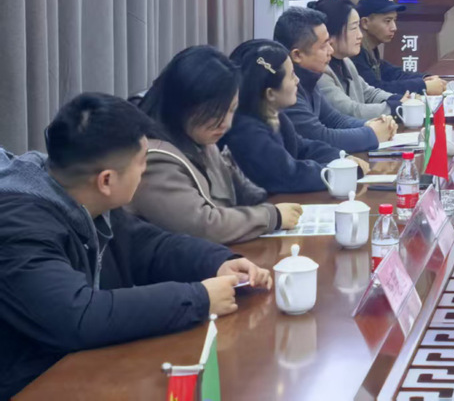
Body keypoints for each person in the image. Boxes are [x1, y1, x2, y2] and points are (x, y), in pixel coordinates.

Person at [0, 93, 271, 398]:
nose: (145, 171)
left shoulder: (80, 193)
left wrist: (218, 262)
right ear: (106, 180)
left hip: (86, 368)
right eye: (142, 162)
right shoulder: (19, 229)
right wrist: (199, 298)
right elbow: (78, 315)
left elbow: (146, 245)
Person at [129, 45, 303, 244]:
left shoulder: (200, 138)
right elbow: (203, 226)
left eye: (232, 110)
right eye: (214, 113)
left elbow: (242, 193)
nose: (226, 124)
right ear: (182, 105)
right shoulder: (152, 159)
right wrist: (272, 216)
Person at [222, 40, 371, 194]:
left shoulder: (275, 117)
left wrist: (342, 159)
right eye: (292, 75)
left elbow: (303, 147)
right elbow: (290, 175)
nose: (297, 81)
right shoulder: (246, 132)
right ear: (270, 93)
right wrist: (341, 172)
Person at [274, 7, 393, 152]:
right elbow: (321, 137)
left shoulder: (310, 77)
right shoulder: (284, 89)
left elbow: (335, 120)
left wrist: (371, 124)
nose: (330, 50)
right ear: (297, 55)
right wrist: (371, 133)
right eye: (323, 46)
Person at [309, 0, 406, 125]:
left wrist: (399, 99)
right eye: (354, 28)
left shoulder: (346, 61)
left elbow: (368, 93)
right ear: (331, 34)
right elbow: (350, 111)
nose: (360, 35)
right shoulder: (319, 71)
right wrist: (396, 107)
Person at [353, 0, 446, 96]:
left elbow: (394, 73)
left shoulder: (371, 50)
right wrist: (423, 86)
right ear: (365, 23)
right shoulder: (355, 54)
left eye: (394, 20)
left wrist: (425, 79)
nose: (394, 28)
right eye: (387, 21)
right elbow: (375, 89)